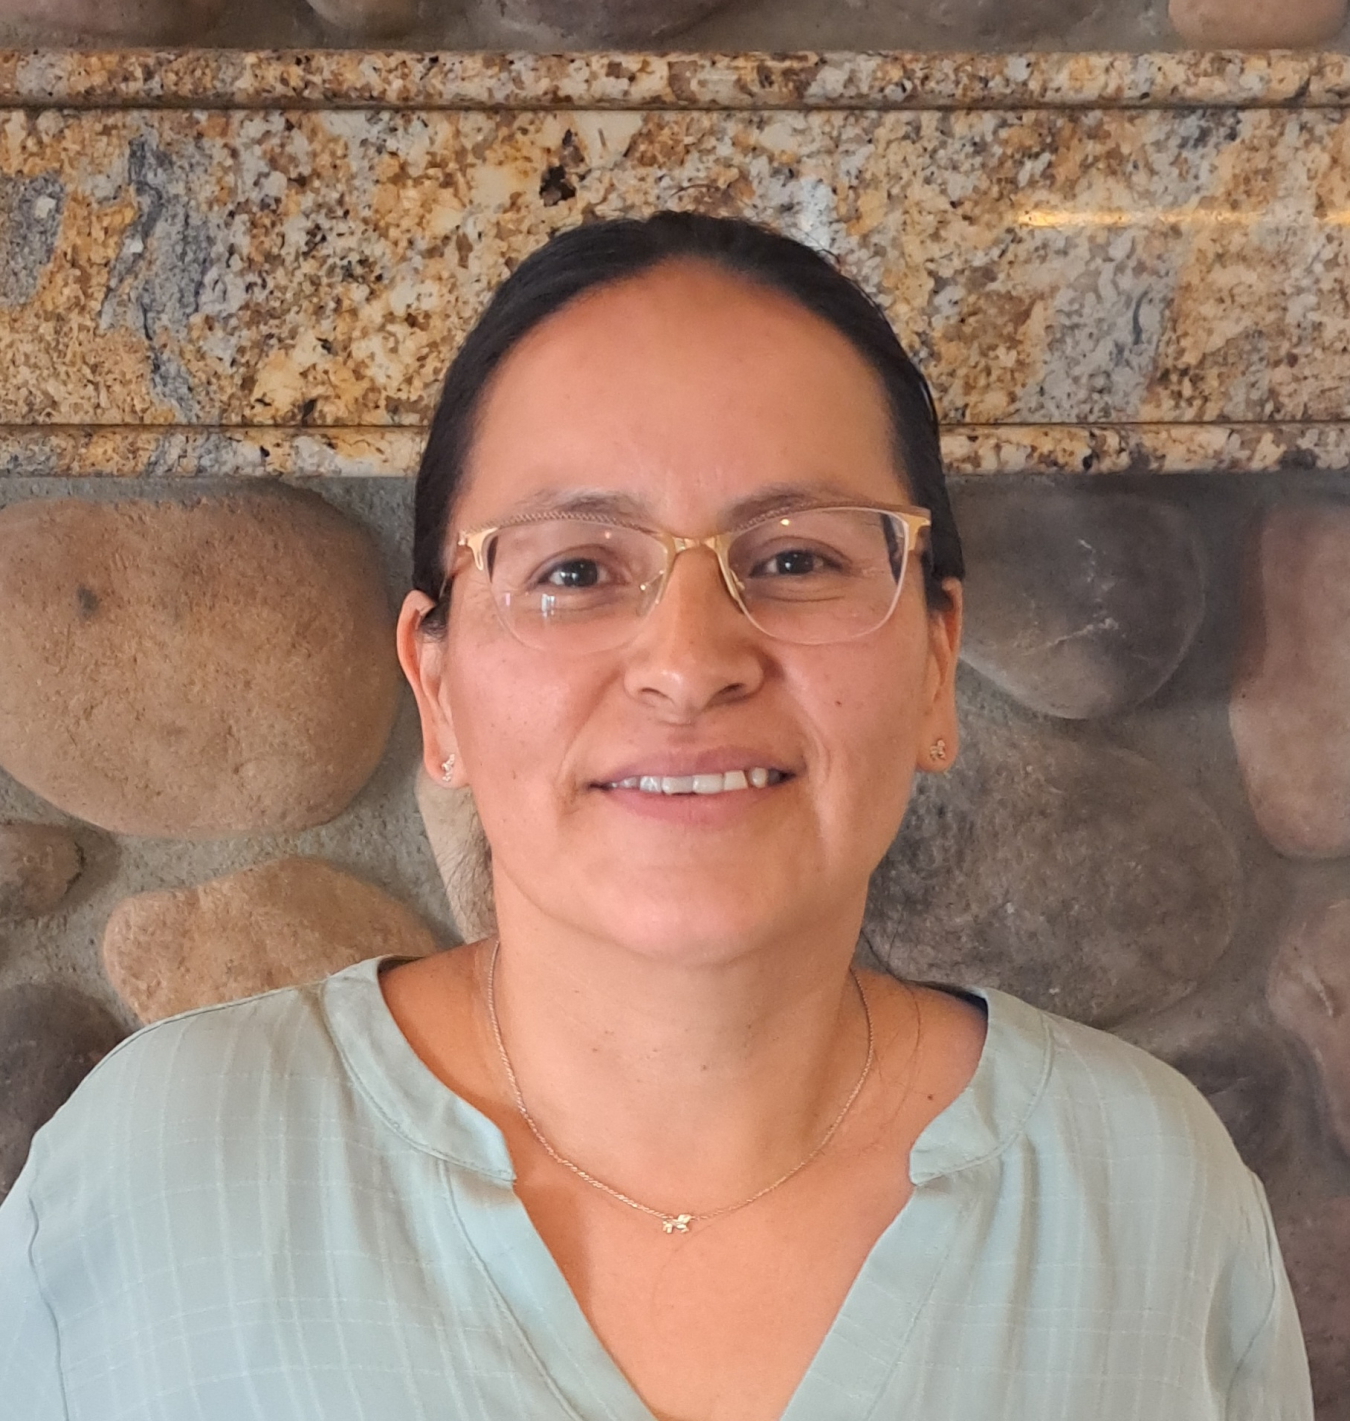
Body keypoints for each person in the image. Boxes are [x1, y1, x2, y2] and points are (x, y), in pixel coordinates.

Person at [0, 212, 1313, 1421]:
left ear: (931, 662)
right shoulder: (161, 1176)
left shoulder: (1142, 1197)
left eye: (796, 557)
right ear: (438, 686)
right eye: (575, 568)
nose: (688, 660)